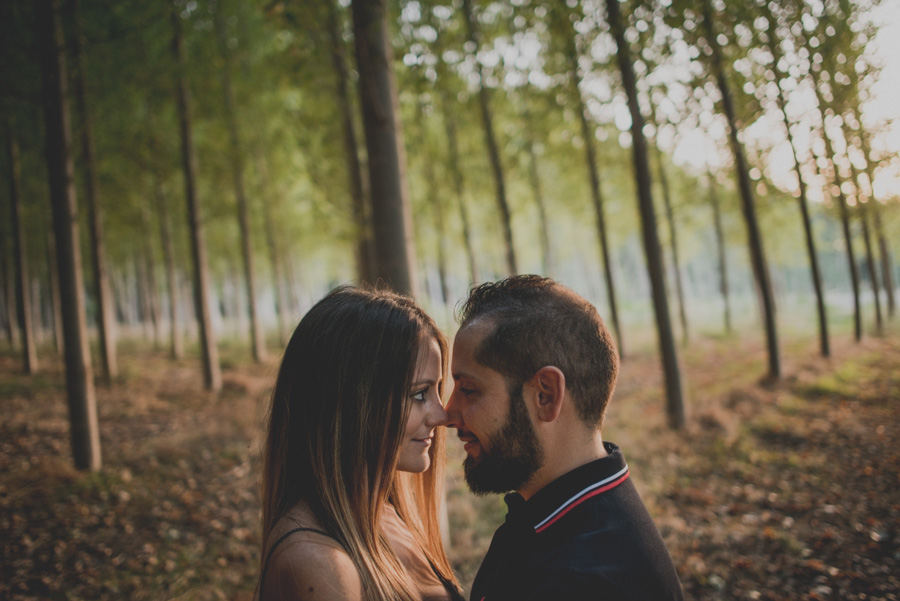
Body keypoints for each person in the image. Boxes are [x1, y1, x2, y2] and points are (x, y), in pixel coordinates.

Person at [445, 275, 684, 601]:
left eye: (468, 389)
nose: (449, 413)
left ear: (545, 395)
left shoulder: (583, 582)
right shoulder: (552, 515)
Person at [258, 286, 464, 601]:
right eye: (419, 394)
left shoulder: (385, 512)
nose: (441, 415)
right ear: (352, 404)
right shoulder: (318, 562)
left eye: (438, 389)